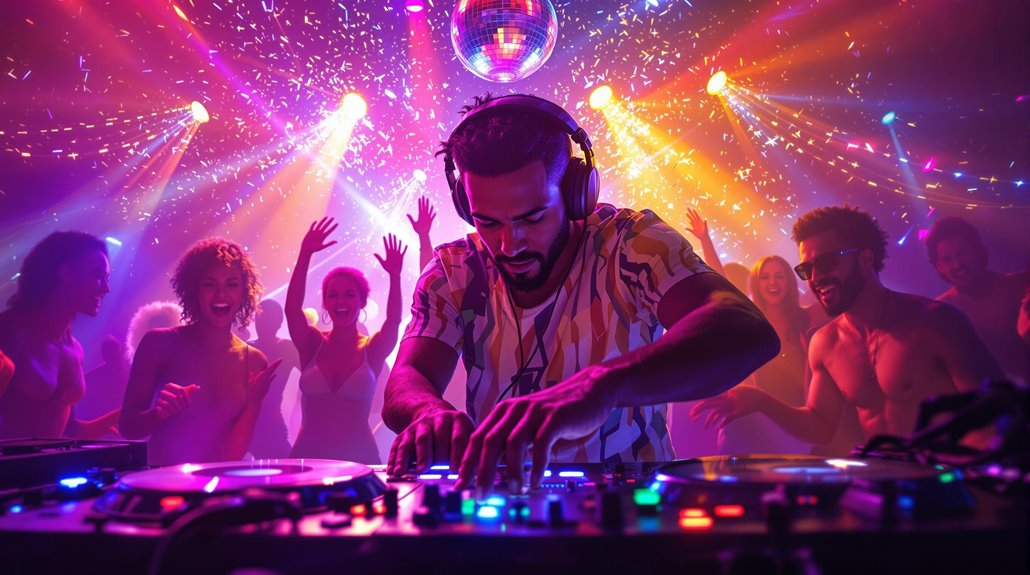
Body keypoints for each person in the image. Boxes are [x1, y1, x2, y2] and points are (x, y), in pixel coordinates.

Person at [383, 93, 779, 493]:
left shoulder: (630, 242)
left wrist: (600, 386)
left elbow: (745, 331)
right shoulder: (454, 271)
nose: (508, 245)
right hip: (499, 508)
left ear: (577, 194)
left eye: (532, 217)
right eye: (487, 222)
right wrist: (427, 411)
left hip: (630, 513)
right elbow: (407, 377)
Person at [692, 206, 1004, 451]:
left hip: (947, 496)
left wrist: (949, 473)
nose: (816, 277)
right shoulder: (825, 343)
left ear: (866, 257)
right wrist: (761, 401)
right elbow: (820, 425)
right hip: (882, 492)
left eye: (826, 263)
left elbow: (998, 414)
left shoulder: (936, 322)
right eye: (807, 268)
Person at [120, 238, 281, 466]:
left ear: (244, 292)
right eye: (209, 284)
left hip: (222, 490)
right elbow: (127, 428)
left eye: (231, 284)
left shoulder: (254, 360)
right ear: (193, 289)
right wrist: (159, 413)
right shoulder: (159, 342)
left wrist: (254, 401)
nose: (221, 295)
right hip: (165, 489)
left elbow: (235, 453)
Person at [285, 220, 407, 463]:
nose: (341, 301)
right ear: (325, 305)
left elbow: (393, 320)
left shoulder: (371, 349)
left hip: (359, 460)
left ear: (362, 302)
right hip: (307, 461)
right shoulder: (312, 343)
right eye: (333, 295)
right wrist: (305, 254)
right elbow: (291, 310)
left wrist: (395, 277)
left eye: (349, 295)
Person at [0, 231, 120, 439]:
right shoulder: (7, 331)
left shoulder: (74, 348)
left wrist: (139, 411)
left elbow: (69, 431)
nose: (106, 288)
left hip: (48, 469)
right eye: (98, 276)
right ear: (66, 274)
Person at [926, 217, 1030, 385]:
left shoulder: (1022, 286)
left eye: (962, 253)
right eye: (947, 259)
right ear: (939, 267)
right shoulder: (939, 314)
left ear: (979, 251)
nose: (957, 264)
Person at [248, 299, 300, 459]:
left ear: (278, 323)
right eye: (259, 317)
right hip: (249, 421)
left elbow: (313, 376)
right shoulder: (245, 347)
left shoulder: (287, 348)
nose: (262, 322)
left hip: (270, 422)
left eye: (267, 318)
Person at [79, 335, 130, 426]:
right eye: (110, 353)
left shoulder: (130, 372)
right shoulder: (92, 377)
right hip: (102, 420)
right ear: (104, 355)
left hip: (124, 419)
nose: (113, 356)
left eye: (114, 352)